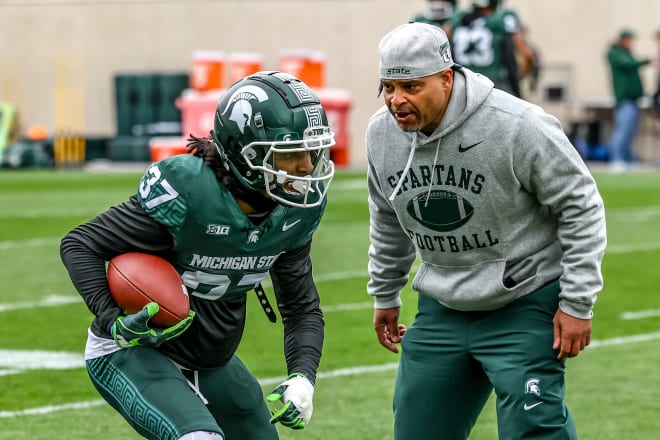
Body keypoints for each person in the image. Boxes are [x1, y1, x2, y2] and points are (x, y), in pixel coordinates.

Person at [60, 71, 336, 440]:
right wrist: (112, 319)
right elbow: (80, 244)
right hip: (134, 350)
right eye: (290, 155)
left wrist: (303, 375)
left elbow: (301, 307)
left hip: (211, 360)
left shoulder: (295, 211)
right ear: (242, 152)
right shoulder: (189, 192)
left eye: (312, 152)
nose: (306, 168)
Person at [366, 22, 607, 439]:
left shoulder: (518, 124)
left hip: (525, 298)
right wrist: (385, 293)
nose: (396, 100)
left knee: (533, 429)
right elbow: (387, 216)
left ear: (445, 77)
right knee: (419, 430)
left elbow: (581, 205)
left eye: (411, 86)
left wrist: (577, 302)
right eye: (388, 86)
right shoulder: (381, 135)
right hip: (444, 302)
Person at [445, 0, 536, 98]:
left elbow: (441, 43)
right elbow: (528, 55)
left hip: (463, 87)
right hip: (496, 85)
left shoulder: (458, 18)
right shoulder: (503, 19)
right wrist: (518, 78)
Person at [606, 28, 651, 171]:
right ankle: (616, 159)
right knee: (623, 130)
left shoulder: (627, 54)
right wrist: (648, 60)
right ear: (623, 40)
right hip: (624, 100)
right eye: (629, 40)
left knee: (631, 130)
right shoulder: (615, 54)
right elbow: (629, 64)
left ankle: (626, 158)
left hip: (634, 99)